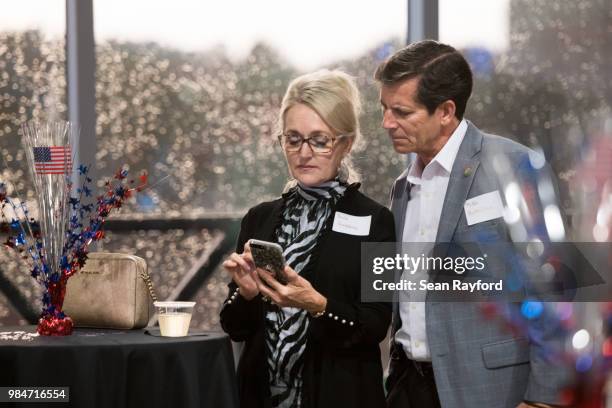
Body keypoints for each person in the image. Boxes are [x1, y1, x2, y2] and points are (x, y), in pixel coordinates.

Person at [376, 40, 568, 408]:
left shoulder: (516, 166)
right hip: (407, 388)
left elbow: (553, 291)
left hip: (490, 391)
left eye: (401, 111)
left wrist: (544, 400)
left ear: (446, 111)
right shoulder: (401, 188)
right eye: (383, 108)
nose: (386, 123)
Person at [220, 69, 395, 408]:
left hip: (339, 395)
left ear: (345, 143)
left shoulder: (376, 221)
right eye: (293, 139)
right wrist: (246, 293)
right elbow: (234, 327)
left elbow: (375, 325)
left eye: (319, 140)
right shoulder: (259, 217)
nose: (304, 152)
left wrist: (318, 306)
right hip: (261, 396)